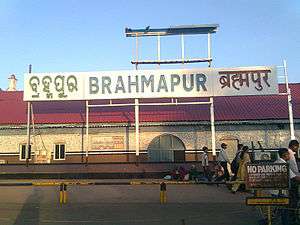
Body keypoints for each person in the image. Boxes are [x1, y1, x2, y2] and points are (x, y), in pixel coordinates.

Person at [271, 148, 300, 225]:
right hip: (279, 192)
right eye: (289, 154)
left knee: (279, 210)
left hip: (275, 191)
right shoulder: (283, 164)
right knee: (284, 210)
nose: (290, 156)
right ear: (285, 155)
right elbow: (295, 177)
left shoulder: (277, 162)